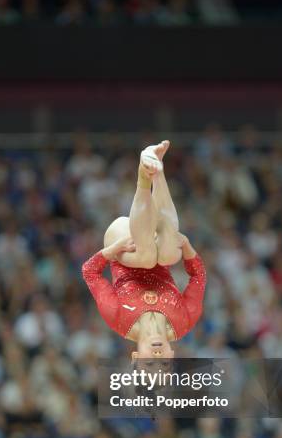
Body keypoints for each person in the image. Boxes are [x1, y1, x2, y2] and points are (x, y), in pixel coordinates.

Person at [82, 141, 206, 360]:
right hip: (156, 243)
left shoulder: (118, 319)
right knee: (168, 254)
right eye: (163, 363)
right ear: (171, 354)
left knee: (148, 258)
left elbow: (90, 272)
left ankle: (143, 176)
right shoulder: (184, 321)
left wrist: (112, 250)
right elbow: (198, 276)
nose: (157, 355)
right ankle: (156, 168)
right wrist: (187, 246)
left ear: (137, 357)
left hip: (123, 244)